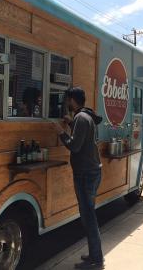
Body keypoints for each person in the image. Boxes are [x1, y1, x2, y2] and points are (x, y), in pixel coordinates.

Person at [53, 87, 104, 269]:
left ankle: (96, 260)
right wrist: (71, 123)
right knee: (88, 215)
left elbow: (75, 146)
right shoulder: (84, 117)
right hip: (91, 172)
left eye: (67, 100)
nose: (66, 103)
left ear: (72, 100)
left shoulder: (81, 118)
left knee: (88, 217)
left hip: (86, 174)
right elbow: (82, 138)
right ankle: (94, 255)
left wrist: (61, 131)